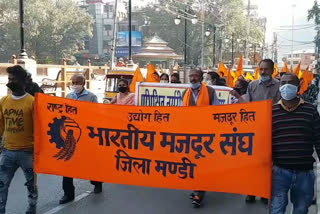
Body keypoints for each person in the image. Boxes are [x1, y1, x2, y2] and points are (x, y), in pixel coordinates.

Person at [231, 59, 281, 204]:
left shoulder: (278, 86)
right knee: (253, 163)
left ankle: (265, 192)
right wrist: (239, 97)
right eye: (261, 69)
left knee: (267, 163)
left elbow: (279, 107)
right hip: (254, 130)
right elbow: (247, 107)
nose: (263, 72)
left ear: (272, 70)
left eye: (266, 69)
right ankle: (252, 191)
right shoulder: (252, 85)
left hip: (272, 129)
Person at [271, 72, 320, 214]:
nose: (286, 86)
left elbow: (318, 138)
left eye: (290, 83)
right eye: (283, 83)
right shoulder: (271, 111)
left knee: (301, 209)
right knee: (276, 209)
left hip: (304, 172)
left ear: (298, 87)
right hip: (279, 171)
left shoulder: (310, 110)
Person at [60, 74, 103, 204]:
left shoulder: (91, 97)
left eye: (77, 82)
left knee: (90, 162)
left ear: (83, 83)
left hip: (87, 134)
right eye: (73, 82)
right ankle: (68, 193)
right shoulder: (68, 96)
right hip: (71, 135)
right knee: (68, 163)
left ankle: (97, 182)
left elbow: (96, 114)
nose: (74, 84)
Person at [0, 65, 37, 214]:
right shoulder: (3, 101)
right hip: (7, 152)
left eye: (13, 79)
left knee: (31, 185)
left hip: (28, 152)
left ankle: (31, 208)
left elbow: (38, 127)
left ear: (22, 81)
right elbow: (0, 125)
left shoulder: (32, 102)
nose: (10, 82)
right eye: (9, 79)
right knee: (2, 184)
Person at [182, 67, 219, 208]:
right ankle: (197, 188)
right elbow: (180, 114)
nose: (192, 79)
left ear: (201, 77)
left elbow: (216, 112)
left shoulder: (210, 91)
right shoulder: (185, 92)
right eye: (190, 76)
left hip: (206, 135)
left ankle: (199, 193)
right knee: (192, 163)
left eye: (195, 76)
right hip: (189, 134)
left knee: (203, 164)